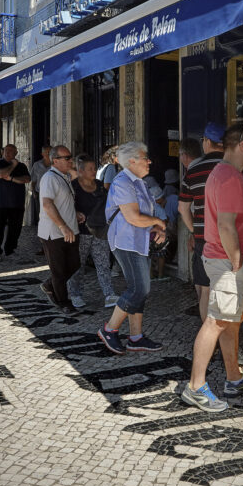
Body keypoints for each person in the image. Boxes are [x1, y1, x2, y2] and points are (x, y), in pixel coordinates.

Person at [181, 124, 243, 412]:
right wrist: (237, 258)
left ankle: (233, 378)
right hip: (228, 261)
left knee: (230, 319)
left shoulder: (226, 172)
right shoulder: (229, 177)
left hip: (225, 259)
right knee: (217, 320)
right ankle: (195, 387)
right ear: (241, 145)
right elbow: (226, 225)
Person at [97, 141, 167, 354]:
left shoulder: (141, 183)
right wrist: (158, 223)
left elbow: (145, 215)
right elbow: (134, 217)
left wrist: (156, 228)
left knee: (140, 290)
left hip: (140, 241)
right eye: (146, 158)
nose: (150, 161)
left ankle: (135, 337)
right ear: (132, 161)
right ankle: (109, 329)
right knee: (139, 288)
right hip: (126, 241)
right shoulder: (122, 182)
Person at [178, 123, 227, 322]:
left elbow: (183, 208)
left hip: (204, 239)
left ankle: (208, 334)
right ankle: (227, 339)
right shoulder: (235, 166)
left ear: (207, 142)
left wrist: (194, 230)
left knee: (205, 290)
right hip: (230, 238)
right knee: (227, 290)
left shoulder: (194, 169)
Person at [67, 154, 118, 309]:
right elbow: (66, 206)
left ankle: (109, 294)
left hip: (100, 231)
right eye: (90, 169)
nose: (94, 171)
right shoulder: (73, 186)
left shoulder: (100, 185)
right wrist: (75, 213)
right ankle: (75, 294)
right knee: (78, 265)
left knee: (103, 264)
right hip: (81, 232)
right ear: (81, 171)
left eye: (94, 168)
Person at [37, 146, 81, 310]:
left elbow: (62, 202)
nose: (71, 160)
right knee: (59, 270)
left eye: (71, 157)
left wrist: (75, 214)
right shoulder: (49, 178)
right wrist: (63, 226)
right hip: (54, 233)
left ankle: (49, 285)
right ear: (55, 161)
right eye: (67, 158)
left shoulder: (63, 176)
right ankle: (63, 302)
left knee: (74, 264)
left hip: (70, 230)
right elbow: (47, 204)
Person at [0, 144, 31, 261]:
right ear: (2, 152)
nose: (8, 153)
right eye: (6, 151)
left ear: (16, 153)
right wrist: (13, 165)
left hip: (17, 203)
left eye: (11, 152)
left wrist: (13, 179)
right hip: (1, 203)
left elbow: (27, 179)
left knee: (15, 228)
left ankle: (10, 250)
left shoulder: (22, 166)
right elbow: (1, 174)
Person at [30, 145, 52, 224]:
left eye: (51, 152)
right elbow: (33, 180)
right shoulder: (37, 165)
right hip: (40, 193)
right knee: (41, 214)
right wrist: (34, 192)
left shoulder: (56, 165)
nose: (49, 154)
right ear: (42, 154)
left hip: (53, 193)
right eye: (47, 152)